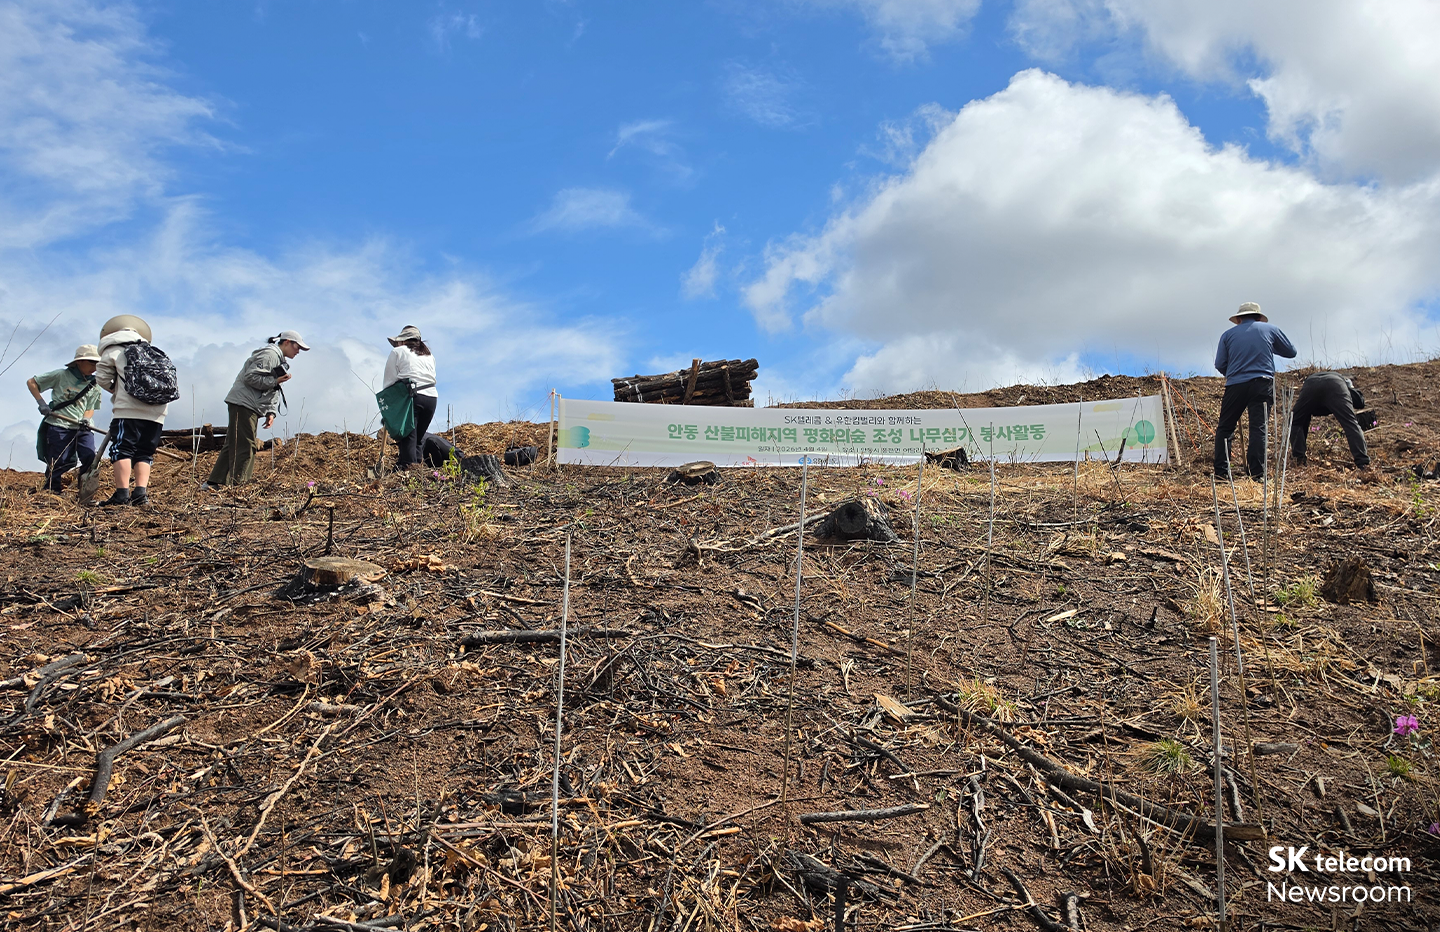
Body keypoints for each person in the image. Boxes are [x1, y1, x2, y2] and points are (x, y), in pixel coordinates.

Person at [202, 331, 310, 489]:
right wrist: (274, 381)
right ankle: (239, 485)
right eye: (297, 346)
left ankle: (213, 482)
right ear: (287, 342)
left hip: (247, 404)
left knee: (233, 443)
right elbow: (250, 377)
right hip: (244, 403)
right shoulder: (269, 355)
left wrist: (271, 411)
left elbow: (272, 388)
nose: (298, 351)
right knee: (246, 445)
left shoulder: (278, 359)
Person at [1213, 302, 1296, 480]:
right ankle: (1258, 475)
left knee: (1225, 428)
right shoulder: (1270, 330)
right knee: (1258, 428)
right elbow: (1291, 352)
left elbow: (1219, 363)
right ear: (1258, 317)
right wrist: (1269, 345)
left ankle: (1221, 474)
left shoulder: (1227, 335)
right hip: (1262, 383)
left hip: (1235, 385)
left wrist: (1233, 374)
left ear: (1239, 319)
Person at [94, 315, 169, 507]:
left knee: (122, 449)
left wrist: (117, 390)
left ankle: (122, 494)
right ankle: (140, 494)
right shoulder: (153, 351)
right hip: (157, 411)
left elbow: (101, 378)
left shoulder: (113, 348)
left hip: (128, 410)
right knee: (145, 452)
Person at [27, 345, 103, 493]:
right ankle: (52, 490)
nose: (94, 367)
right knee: (59, 459)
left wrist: (86, 419)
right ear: (79, 361)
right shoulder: (61, 375)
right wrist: (41, 403)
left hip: (82, 427)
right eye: (91, 363)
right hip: (60, 424)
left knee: (89, 456)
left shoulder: (95, 383)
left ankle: (84, 490)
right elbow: (32, 382)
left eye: (97, 364)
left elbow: (90, 407)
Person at [1290, 371, 1373, 469]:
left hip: (1310, 385)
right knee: (1350, 424)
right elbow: (1360, 402)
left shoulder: (1316, 379)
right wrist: (1351, 389)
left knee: (1296, 421)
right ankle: (1363, 463)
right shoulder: (1342, 382)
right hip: (1335, 385)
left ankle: (1298, 460)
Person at [381, 325, 438, 469]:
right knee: (417, 439)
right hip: (431, 398)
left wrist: (389, 412)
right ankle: (417, 471)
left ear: (402, 340)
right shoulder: (429, 356)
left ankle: (407, 470)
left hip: (412, 398)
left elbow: (389, 384)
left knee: (407, 438)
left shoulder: (397, 352)